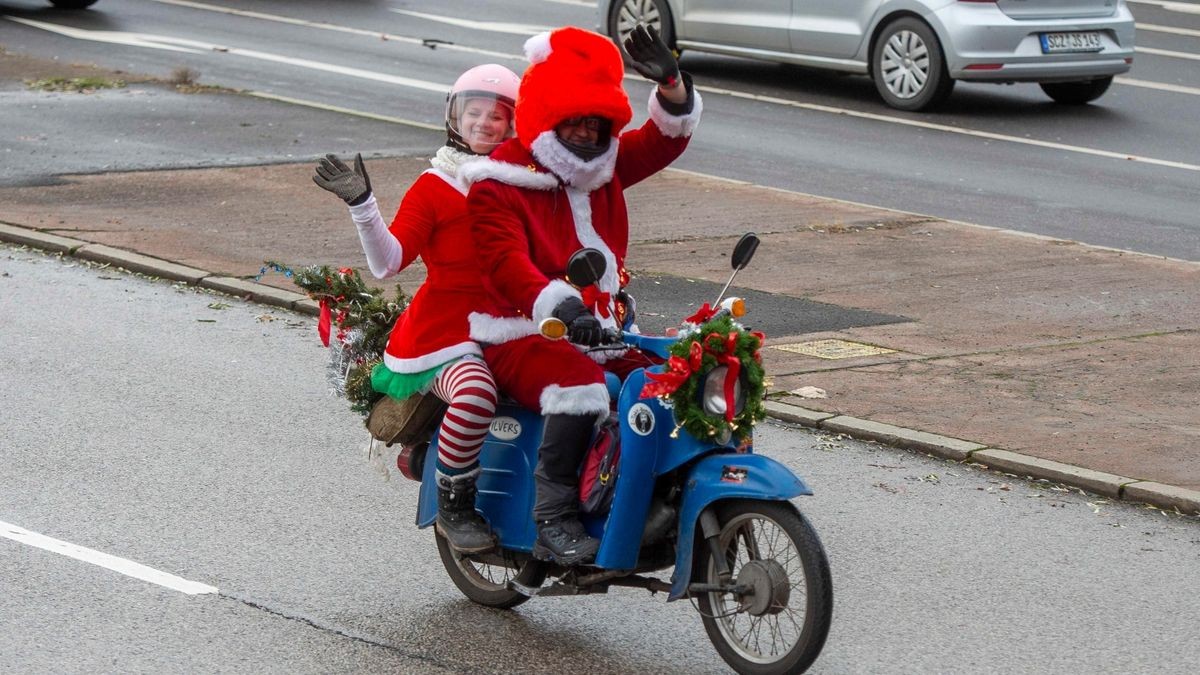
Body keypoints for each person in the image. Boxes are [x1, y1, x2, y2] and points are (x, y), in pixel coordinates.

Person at [462, 25, 701, 565]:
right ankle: (555, 519)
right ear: (549, 118)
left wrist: (670, 84)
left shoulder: (602, 171)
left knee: (667, 380)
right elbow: (506, 266)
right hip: (522, 331)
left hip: (601, 329)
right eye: (577, 124)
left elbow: (665, 140)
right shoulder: (497, 182)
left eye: (598, 126)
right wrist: (561, 305)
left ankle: (650, 495)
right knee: (581, 384)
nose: (590, 137)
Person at [312, 64, 522, 554]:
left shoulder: (524, 184)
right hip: (446, 336)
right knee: (474, 395)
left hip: (516, 323)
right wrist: (363, 204)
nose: (484, 123)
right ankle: (455, 504)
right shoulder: (435, 186)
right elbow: (388, 264)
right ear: (454, 117)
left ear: (514, 124)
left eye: (497, 115)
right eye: (474, 112)